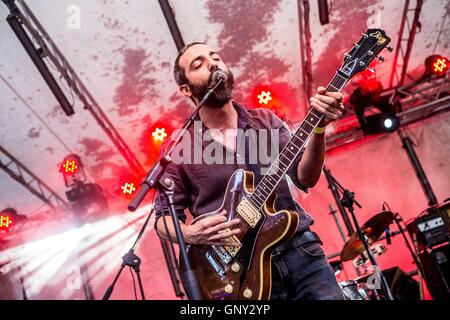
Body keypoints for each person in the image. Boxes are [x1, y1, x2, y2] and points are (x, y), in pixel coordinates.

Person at [154, 42, 345, 300]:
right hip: (241, 273)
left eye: (216, 57)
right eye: (199, 64)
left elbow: (305, 177)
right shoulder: (179, 147)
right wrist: (191, 234)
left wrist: (319, 130)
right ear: (186, 89)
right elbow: (163, 219)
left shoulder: (265, 121)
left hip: (300, 252)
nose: (212, 64)